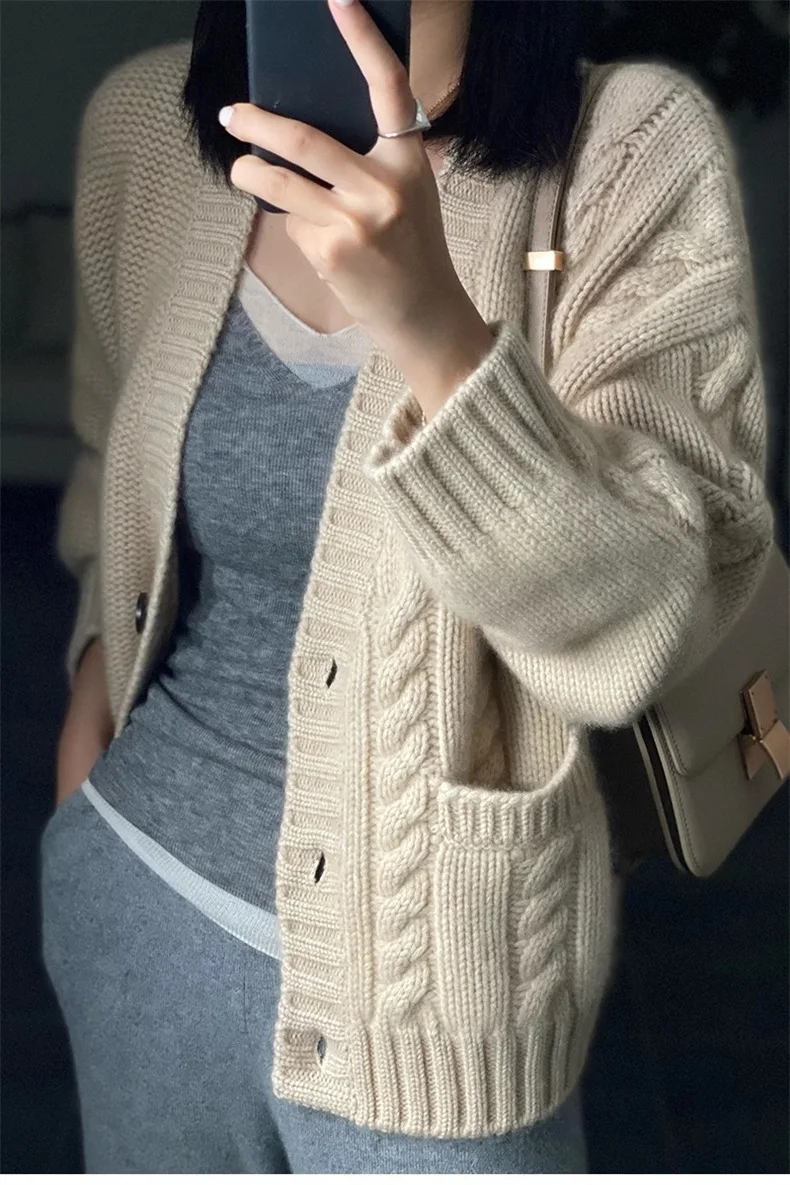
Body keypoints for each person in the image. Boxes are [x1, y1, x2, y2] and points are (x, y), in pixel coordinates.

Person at [40, 0, 775, 1173]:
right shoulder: (144, 130)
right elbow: (107, 464)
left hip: (442, 988)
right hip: (139, 908)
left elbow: (653, 618)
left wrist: (434, 327)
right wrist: (92, 703)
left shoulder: (629, 149)